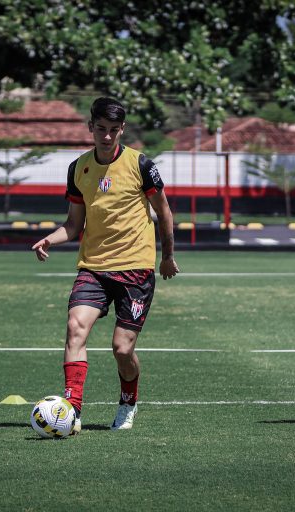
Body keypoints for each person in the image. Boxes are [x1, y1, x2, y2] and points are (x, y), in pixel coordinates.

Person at [32, 97, 179, 433]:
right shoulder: (78, 168)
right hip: (94, 268)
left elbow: (165, 212)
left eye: (114, 130)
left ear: (122, 130)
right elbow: (72, 225)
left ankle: (128, 402)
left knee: (122, 349)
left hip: (135, 269)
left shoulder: (141, 165)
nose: (107, 136)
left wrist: (167, 256)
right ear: (91, 128)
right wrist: (48, 240)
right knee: (75, 327)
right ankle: (71, 410)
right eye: (101, 129)